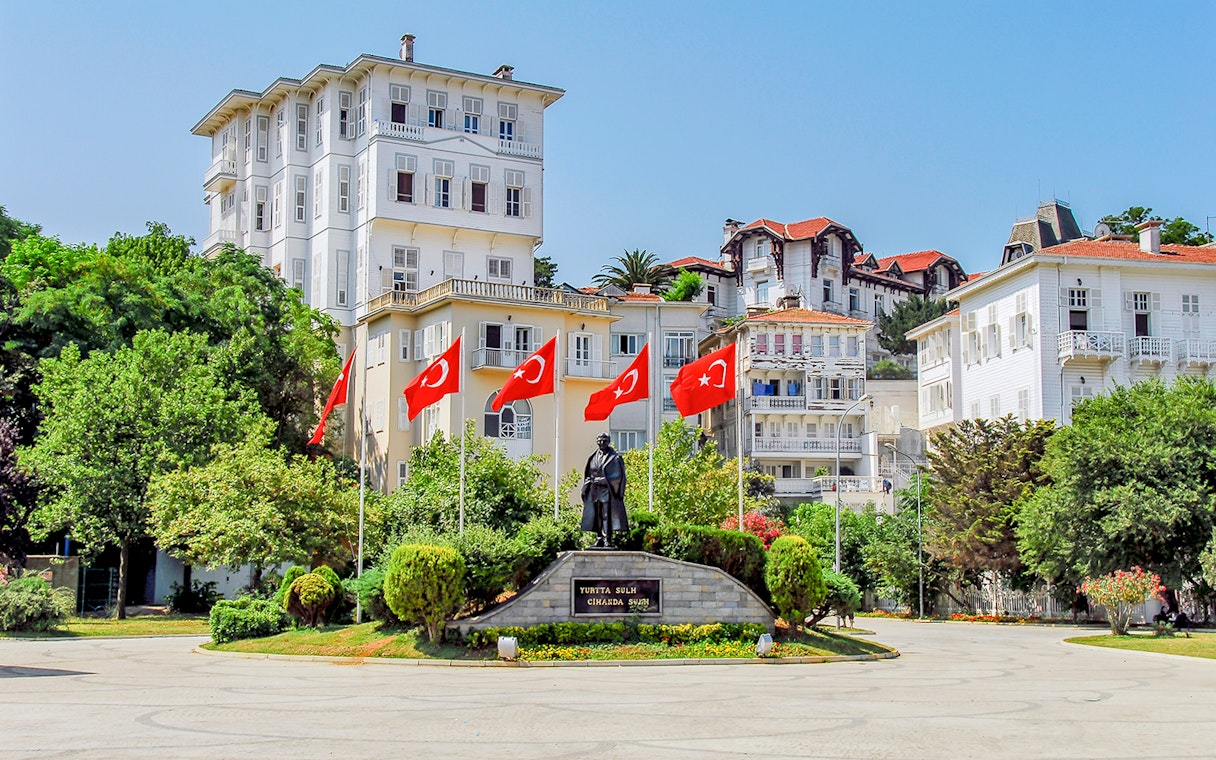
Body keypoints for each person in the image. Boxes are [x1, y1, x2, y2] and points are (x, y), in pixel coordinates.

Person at [580, 433, 628, 548]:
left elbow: (619, 476)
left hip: (608, 491)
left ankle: (607, 539)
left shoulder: (615, 457)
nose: (601, 443)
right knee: (597, 516)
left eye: (604, 441)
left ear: (608, 441)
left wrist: (605, 481)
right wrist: (586, 486)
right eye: (600, 441)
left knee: (606, 515)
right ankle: (599, 538)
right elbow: (589, 473)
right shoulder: (593, 457)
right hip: (594, 491)